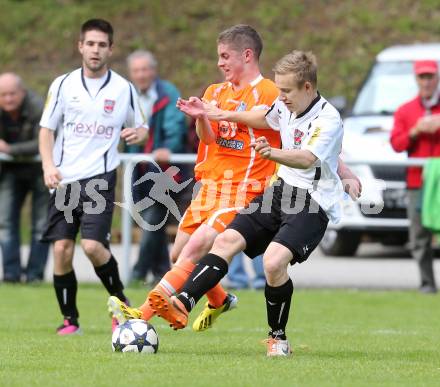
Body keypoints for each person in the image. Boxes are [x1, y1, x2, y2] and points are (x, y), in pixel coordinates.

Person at [143, 50, 345, 357]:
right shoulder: (286, 104)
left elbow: (306, 158)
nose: (282, 98)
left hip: (314, 201)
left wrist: (271, 153)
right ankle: (183, 300)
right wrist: (219, 114)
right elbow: (265, 116)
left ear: (307, 87)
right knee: (226, 239)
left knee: (273, 262)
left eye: (287, 91)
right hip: (282, 190)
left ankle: (277, 338)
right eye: (280, 90)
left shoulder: (328, 118)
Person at [108, 24, 282, 332]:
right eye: (219, 57)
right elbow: (210, 139)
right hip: (210, 188)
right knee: (180, 256)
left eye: (225, 56)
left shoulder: (268, 90)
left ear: (247, 54)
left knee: (194, 249)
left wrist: (220, 115)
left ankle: (140, 316)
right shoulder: (216, 92)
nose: (220, 63)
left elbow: (267, 118)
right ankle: (220, 300)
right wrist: (202, 116)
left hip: (245, 189)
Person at [39, 19, 148, 335]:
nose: (96, 50)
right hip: (64, 178)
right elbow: (46, 129)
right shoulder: (62, 85)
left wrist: (136, 134)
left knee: (92, 247)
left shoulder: (123, 88)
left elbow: (141, 127)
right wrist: (48, 165)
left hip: (99, 177)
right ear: (80, 46)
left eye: (102, 44)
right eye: (91, 44)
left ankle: (121, 302)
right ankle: (70, 320)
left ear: (110, 49)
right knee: (61, 249)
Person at [126, 50, 187, 284]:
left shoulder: (167, 93)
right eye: (136, 71)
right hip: (137, 168)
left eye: (145, 69)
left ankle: (138, 271)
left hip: (164, 169)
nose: (141, 75)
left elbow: (175, 126)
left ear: (154, 70)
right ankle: (162, 272)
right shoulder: (128, 95)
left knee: (151, 219)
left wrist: (167, 148)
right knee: (153, 221)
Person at [391, 59, 440, 294]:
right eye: (422, 77)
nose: (427, 81)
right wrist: (415, 130)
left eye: (430, 76)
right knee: (419, 236)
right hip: (417, 183)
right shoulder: (405, 110)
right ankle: (427, 284)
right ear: (416, 79)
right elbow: (396, 144)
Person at [0, 73, 49, 283]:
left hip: (40, 169)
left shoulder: (38, 106)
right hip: (10, 170)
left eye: (12, 94)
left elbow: (43, 141)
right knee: (5, 221)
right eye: (3, 95)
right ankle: (11, 275)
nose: (8, 99)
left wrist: (9, 149)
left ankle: (34, 275)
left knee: (40, 225)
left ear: (22, 92)